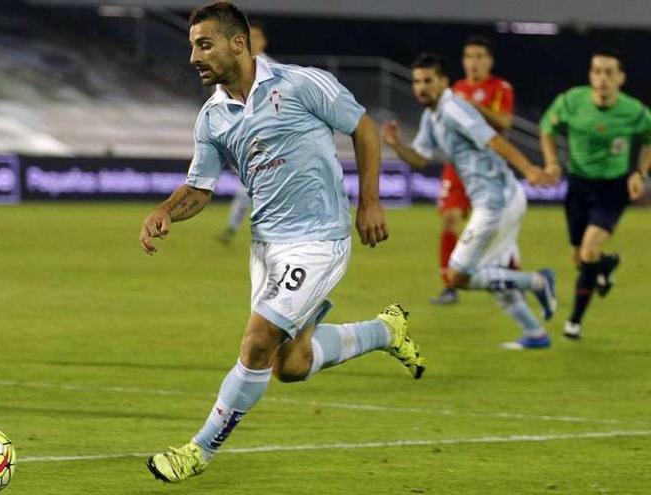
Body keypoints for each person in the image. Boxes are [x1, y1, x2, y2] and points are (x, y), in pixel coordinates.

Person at [139, 2, 425, 483]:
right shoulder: (212, 119)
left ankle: (197, 451)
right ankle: (385, 331)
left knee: (255, 343)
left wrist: (370, 202)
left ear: (238, 44)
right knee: (290, 365)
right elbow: (201, 188)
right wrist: (166, 210)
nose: (193, 57)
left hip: (319, 241)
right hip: (266, 248)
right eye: (192, 46)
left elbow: (363, 127)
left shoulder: (300, 84)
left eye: (203, 44)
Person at [382, 53, 557, 350]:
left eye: (428, 81)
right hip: (494, 199)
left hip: (497, 200)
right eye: (416, 82)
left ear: (443, 82)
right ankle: (535, 333)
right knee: (490, 274)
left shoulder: (453, 108)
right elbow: (422, 159)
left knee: (458, 275)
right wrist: (397, 145)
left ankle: (538, 281)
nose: (421, 87)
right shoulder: (432, 116)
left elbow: (494, 139)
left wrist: (529, 169)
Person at [539, 49, 651, 340]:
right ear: (591, 76)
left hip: (613, 189)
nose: (602, 79)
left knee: (588, 250)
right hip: (578, 186)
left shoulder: (634, 111)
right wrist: (551, 162)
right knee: (580, 258)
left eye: (609, 73)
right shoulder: (571, 101)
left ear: (620, 78)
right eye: (597, 72)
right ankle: (606, 265)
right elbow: (546, 128)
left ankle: (574, 322)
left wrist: (640, 172)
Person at [432, 35, 515, 305]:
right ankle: (449, 286)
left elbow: (503, 123)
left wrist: (471, 106)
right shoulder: (455, 88)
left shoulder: (500, 88)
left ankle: (512, 276)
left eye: (479, 56)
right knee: (450, 219)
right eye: (469, 57)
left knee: (494, 227)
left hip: (487, 168)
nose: (473, 62)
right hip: (457, 167)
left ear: (489, 61)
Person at [215, 21, 272, 245]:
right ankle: (234, 229)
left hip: (272, 140)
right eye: (250, 37)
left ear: (264, 42)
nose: (253, 41)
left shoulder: (275, 71)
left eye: (257, 37)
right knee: (249, 187)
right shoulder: (231, 70)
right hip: (247, 140)